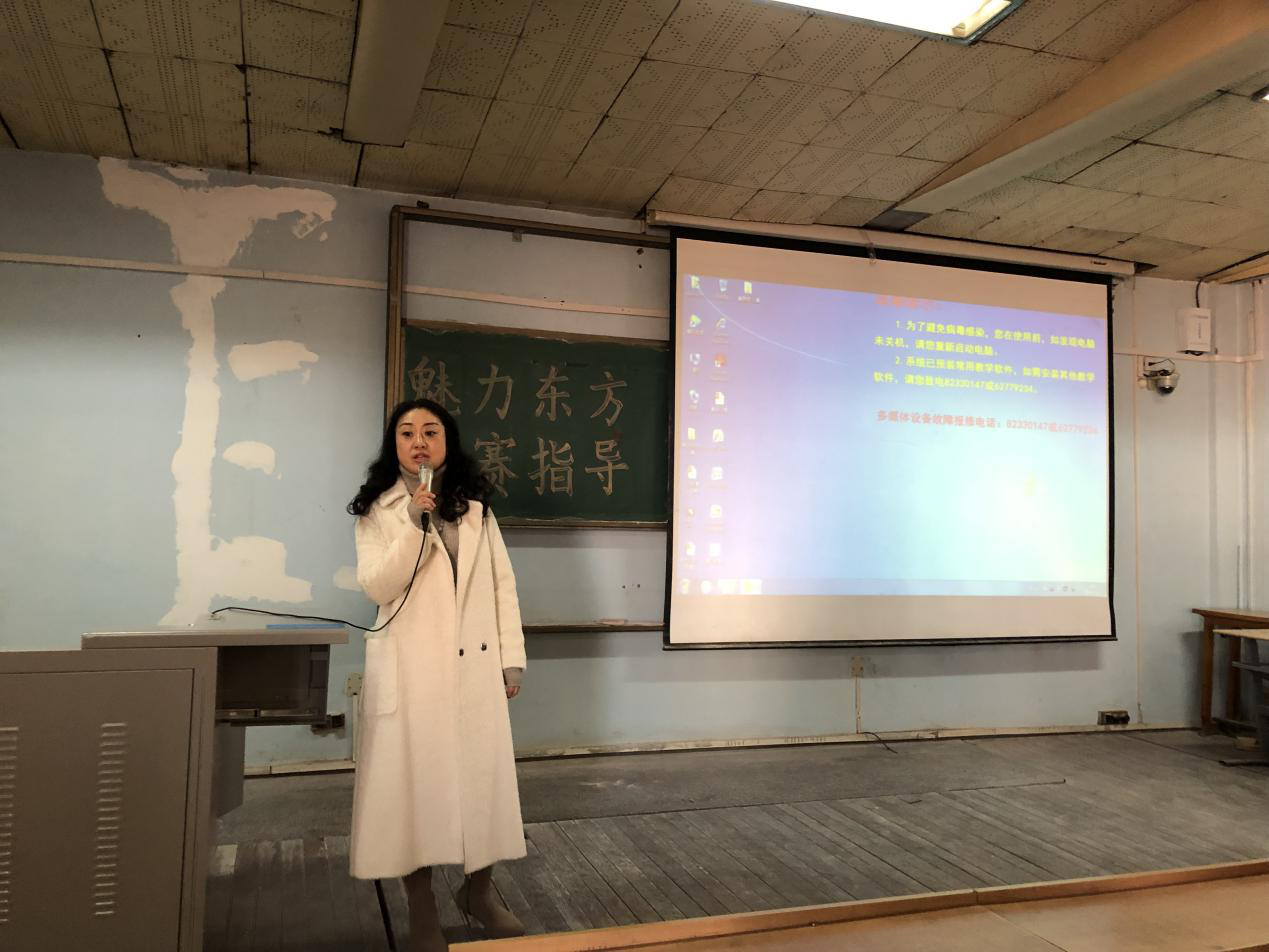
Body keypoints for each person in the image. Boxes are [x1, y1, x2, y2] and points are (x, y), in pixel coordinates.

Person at [347, 398, 527, 952]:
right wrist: (410, 523)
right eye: (406, 433)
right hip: (411, 669)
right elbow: (378, 586)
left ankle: (479, 893)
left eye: (430, 431)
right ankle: (421, 907)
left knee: (482, 784)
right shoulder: (378, 509)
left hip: (474, 665)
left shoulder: (476, 509)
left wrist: (511, 656)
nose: (419, 441)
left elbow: (501, 584)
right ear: (394, 445)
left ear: (447, 441)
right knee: (413, 792)